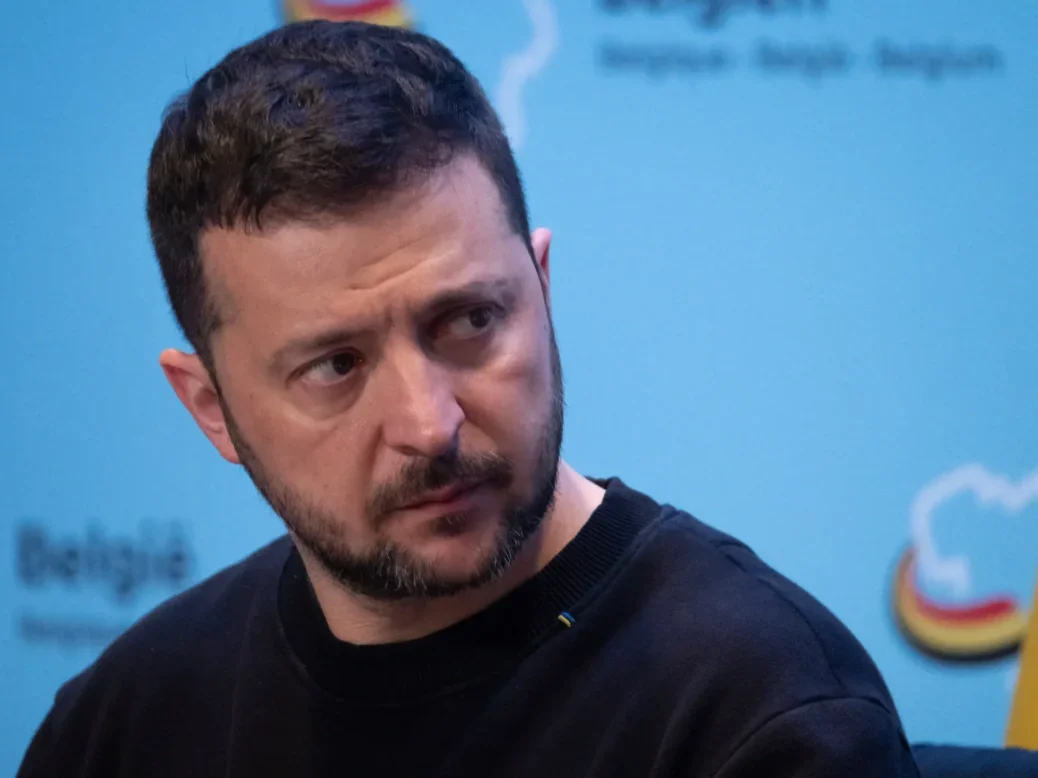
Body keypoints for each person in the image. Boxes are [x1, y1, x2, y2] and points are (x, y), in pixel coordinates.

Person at [18, 20, 919, 778]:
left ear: (543, 286)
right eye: (336, 366)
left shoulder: (757, 716)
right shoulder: (125, 726)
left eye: (470, 322)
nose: (429, 424)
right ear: (210, 408)